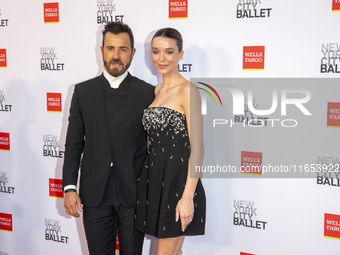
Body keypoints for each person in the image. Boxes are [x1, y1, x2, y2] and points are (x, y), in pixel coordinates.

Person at [62, 21, 155, 255]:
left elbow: (156, 147)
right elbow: (74, 145)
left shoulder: (148, 93)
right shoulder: (83, 92)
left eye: (123, 49)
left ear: (132, 53)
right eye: (110, 48)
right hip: (95, 195)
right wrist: (69, 187)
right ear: (101, 50)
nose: (116, 55)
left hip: (133, 193)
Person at [135, 28, 206, 255]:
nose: (161, 58)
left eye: (169, 52)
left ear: (180, 54)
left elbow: (198, 147)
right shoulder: (157, 90)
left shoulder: (188, 89)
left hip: (178, 183)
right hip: (155, 179)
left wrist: (187, 197)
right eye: (156, 52)